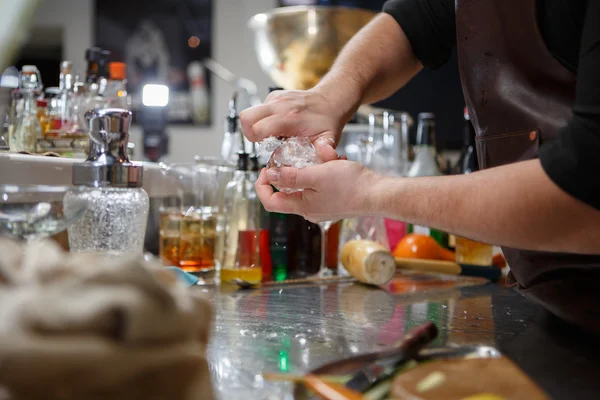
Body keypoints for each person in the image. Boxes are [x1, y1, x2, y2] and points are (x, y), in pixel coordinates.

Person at [239, 0, 600, 332]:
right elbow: (416, 20)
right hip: (554, 308)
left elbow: (581, 195)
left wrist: (369, 192)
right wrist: (327, 97)